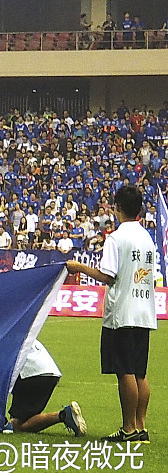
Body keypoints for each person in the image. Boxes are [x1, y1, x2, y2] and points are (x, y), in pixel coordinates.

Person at [67, 184, 157, 442]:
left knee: (125, 371)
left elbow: (107, 275)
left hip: (122, 312)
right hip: (144, 310)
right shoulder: (146, 238)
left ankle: (128, 428)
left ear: (116, 208)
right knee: (140, 371)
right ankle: (141, 426)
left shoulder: (116, 238)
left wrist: (79, 267)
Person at [6, 340, 86, 435]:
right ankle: (65, 415)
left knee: (18, 426)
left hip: (31, 374)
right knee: (22, 419)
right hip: (48, 371)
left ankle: (64, 415)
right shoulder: (12, 332)